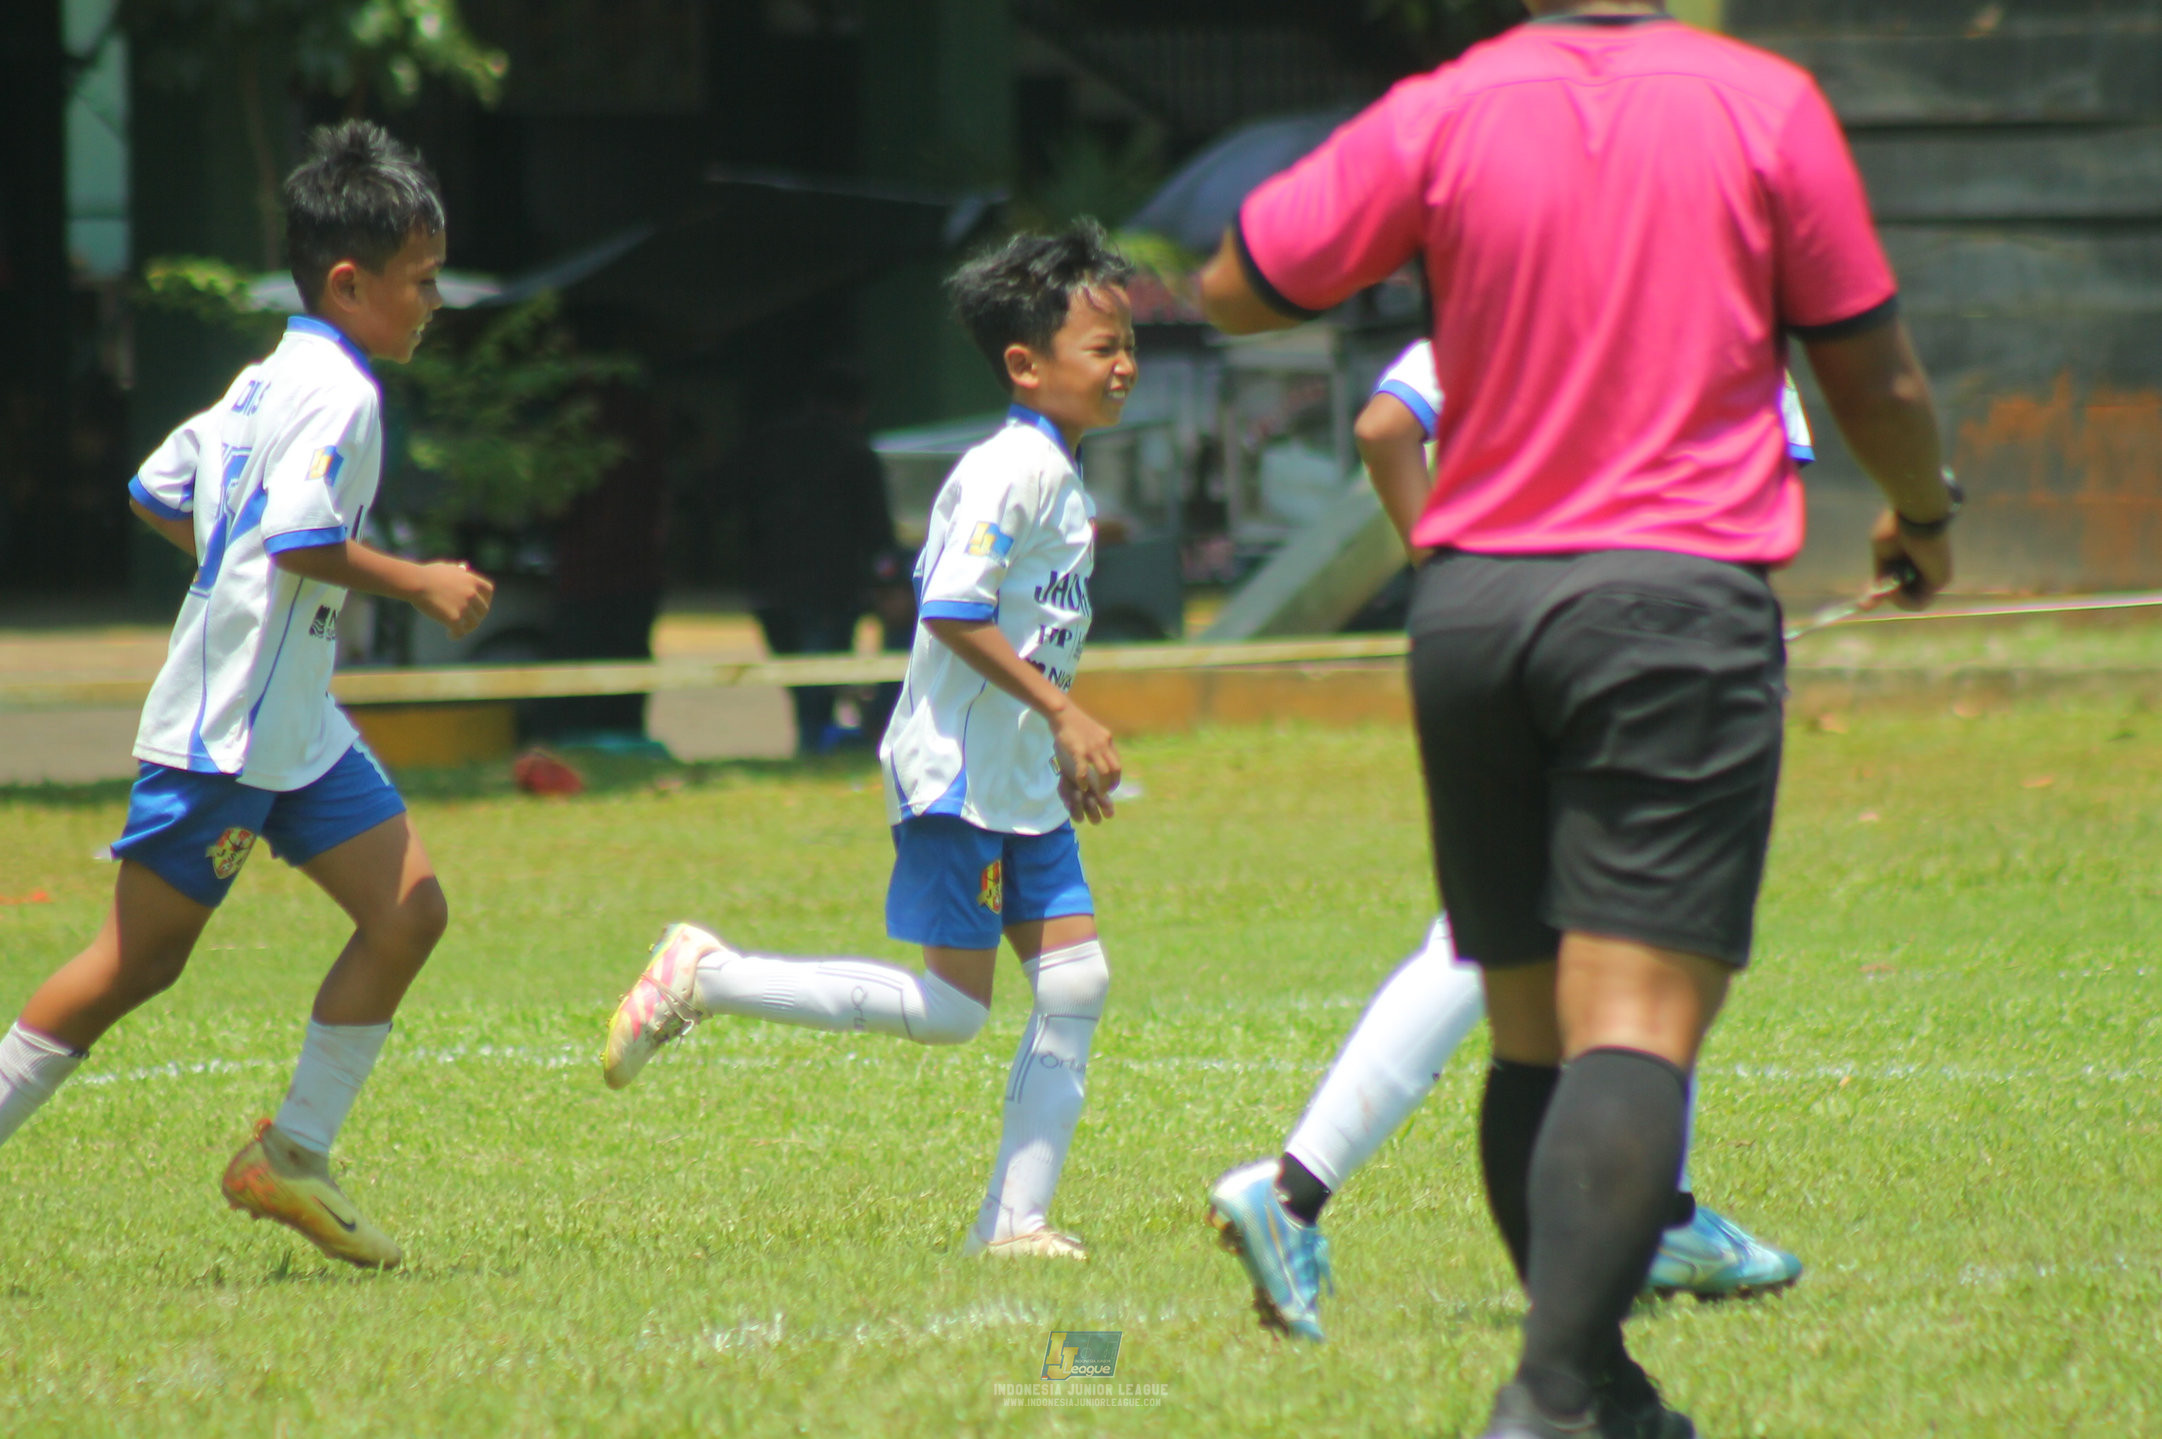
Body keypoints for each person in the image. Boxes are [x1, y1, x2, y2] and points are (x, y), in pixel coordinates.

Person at [1197, 5, 1955, 1435]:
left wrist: (1366, 214)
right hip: (1665, 605)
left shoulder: (1443, 109)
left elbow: (1240, 279)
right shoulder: (1761, 103)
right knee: (1633, 1028)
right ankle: (1547, 1396)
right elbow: (1874, 374)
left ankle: (1600, 1386)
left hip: (1473, 614)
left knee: (1531, 1032)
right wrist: (1921, 511)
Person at [1208, 341, 1811, 1340]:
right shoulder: (1725, 309)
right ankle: (1294, 1187)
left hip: (1484, 630)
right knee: (1639, 922)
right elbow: (1765, 501)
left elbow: (1382, 425)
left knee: (1503, 923)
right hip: (1647, 644)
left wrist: (1433, 556)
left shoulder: (1511, 279)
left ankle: (1660, 1213)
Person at [0, 121, 493, 1269]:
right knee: (135, 964)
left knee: (409, 908)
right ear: (348, 280)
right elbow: (300, 535)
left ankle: (295, 1152)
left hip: (297, 726)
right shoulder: (339, 395)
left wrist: (228, 576)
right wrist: (415, 578)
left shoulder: (262, 378)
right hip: (226, 737)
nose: (431, 303)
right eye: (420, 284)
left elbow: (155, 486)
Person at [602, 221, 1135, 1259]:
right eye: (1100, 348)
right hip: (958, 772)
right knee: (949, 1010)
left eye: (1126, 346)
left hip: (1016, 776)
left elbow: (1028, 632)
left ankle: (1013, 1223)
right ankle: (707, 974)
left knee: (1077, 982)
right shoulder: (1008, 469)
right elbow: (950, 607)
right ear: (1024, 365)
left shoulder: (1058, 470)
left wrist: (1051, 746)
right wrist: (1065, 714)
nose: (1123, 367)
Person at [733, 362, 899, 754]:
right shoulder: (855, 452)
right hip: (832, 587)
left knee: (797, 677)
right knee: (822, 676)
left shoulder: (767, 444)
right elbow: (876, 530)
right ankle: (815, 743)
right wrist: (889, 582)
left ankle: (811, 739)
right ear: (859, 406)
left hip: (769, 584)